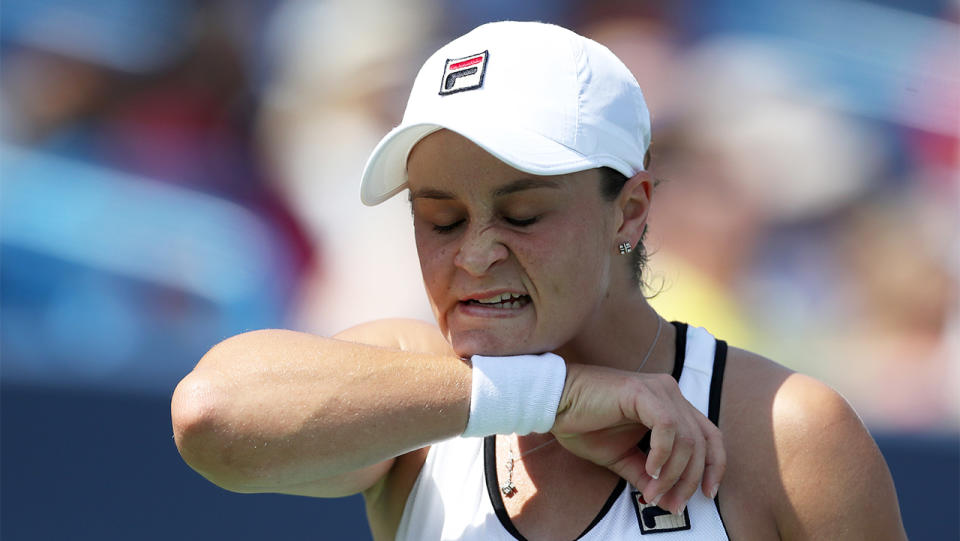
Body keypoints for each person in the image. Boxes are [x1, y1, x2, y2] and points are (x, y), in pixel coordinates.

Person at [171, 21, 906, 540]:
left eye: (521, 214)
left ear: (631, 210)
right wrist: (554, 397)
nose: (475, 255)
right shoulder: (416, 389)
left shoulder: (789, 435)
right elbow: (211, 413)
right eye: (442, 219)